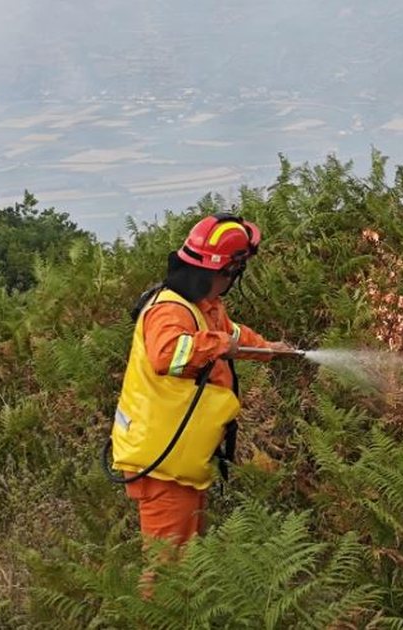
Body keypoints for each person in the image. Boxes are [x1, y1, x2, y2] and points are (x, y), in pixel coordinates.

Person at [109, 212, 294, 551]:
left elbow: (231, 334)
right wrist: (221, 345)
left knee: (187, 563)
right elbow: (167, 355)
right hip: (161, 464)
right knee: (167, 573)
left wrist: (269, 349)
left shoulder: (204, 306)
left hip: (181, 460)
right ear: (226, 271)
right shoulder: (169, 310)